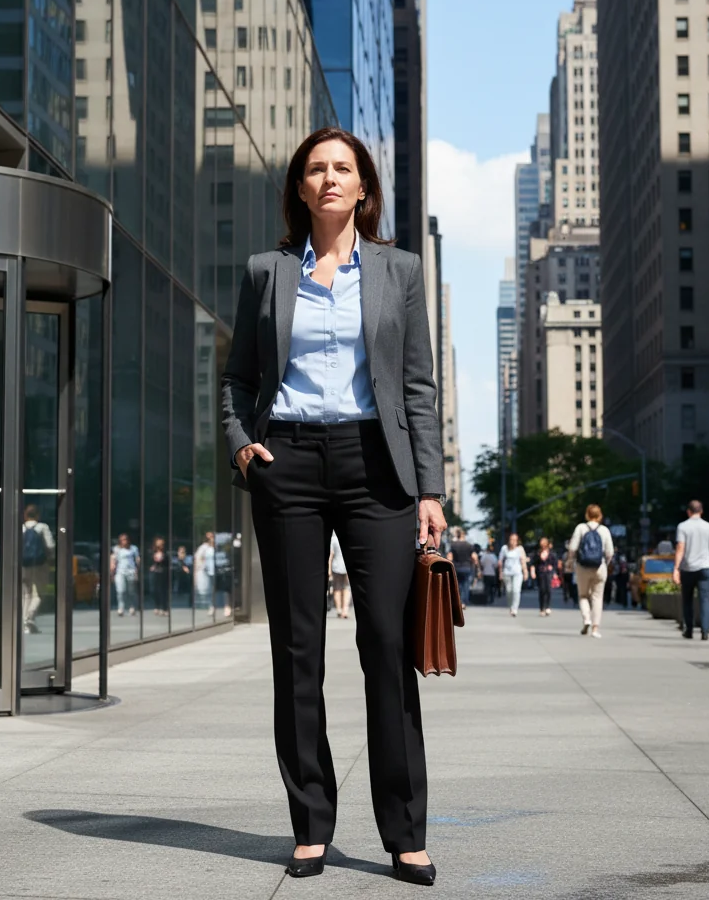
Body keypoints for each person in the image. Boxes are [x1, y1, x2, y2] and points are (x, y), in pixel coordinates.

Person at [222, 127, 446, 884]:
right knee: (298, 652)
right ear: (298, 187)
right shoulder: (266, 272)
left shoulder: (400, 271)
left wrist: (431, 490)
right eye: (315, 169)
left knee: (385, 645)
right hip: (286, 461)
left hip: (374, 467)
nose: (328, 179)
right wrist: (240, 445)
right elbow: (236, 381)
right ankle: (311, 824)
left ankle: (405, 832)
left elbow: (417, 387)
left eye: (342, 168)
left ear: (363, 187)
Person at [567, 504, 615, 638]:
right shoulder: (604, 530)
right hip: (600, 567)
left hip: (583, 567)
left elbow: (572, 548)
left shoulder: (581, 528)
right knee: (597, 597)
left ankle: (586, 619)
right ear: (600, 516)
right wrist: (606, 563)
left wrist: (570, 562)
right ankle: (595, 628)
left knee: (583, 595)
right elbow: (610, 552)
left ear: (587, 514)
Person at [673, 500, 709, 640]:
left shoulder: (683, 526)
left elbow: (680, 547)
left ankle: (689, 629)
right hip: (705, 567)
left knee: (687, 600)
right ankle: (705, 631)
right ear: (701, 511)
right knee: (705, 599)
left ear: (688, 511)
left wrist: (676, 568)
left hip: (688, 567)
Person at [21, 505, 55, 634]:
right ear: (37, 515)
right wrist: (51, 558)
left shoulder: (21, 528)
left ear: (25, 515)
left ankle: (25, 623)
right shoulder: (42, 527)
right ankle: (30, 617)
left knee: (26, 594)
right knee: (39, 594)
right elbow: (50, 545)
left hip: (24, 565)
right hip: (40, 565)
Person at [110, 532, 140, 618]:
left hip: (131, 571)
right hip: (120, 571)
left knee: (131, 591)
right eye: (122, 540)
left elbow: (137, 559)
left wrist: (137, 570)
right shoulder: (116, 549)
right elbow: (113, 560)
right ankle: (121, 608)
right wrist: (112, 571)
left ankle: (131, 606)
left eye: (126, 539)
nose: (124, 541)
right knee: (120, 591)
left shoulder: (133, 548)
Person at [499, 533, 528, 617]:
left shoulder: (520, 549)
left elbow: (523, 561)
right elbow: (500, 561)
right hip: (507, 572)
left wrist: (525, 572)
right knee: (509, 591)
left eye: (515, 540)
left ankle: (514, 608)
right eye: (511, 539)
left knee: (516, 590)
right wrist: (500, 572)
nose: (513, 542)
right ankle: (510, 605)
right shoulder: (504, 548)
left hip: (517, 573)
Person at [447, 527, 476, 610]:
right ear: (464, 535)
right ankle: (463, 602)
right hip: (467, 568)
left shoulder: (453, 545)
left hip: (456, 567)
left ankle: (458, 601)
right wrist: (474, 565)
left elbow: (450, 556)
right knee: (466, 585)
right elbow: (474, 557)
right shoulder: (469, 545)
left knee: (458, 585)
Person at [531, 537, 559, 616]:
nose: (543, 546)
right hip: (540, 573)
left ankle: (548, 607)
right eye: (541, 545)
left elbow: (555, 564)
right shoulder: (537, 553)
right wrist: (533, 572)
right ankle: (541, 608)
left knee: (548, 590)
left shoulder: (551, 554)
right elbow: (533, 563)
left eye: (544, 545)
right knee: (542, 590)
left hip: (549, 573)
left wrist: (554, 572)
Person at [328, 531, 351, 618]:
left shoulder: (333, 539)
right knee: (347, 588)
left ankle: (339, 609)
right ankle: (345, 610)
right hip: (347, 566)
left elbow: (331, 555)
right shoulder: (348, 537)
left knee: (337, 587)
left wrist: (329, 569)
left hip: (336, 567)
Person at [194, 531, 216, 614]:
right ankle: (211, 606)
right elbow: (198, 558)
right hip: (207, 571)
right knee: (209, 589)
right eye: (209, 537)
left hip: (217, 570)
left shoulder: (216, 547)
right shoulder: (203, 547)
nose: (211, 538)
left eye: (212, 536)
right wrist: (200, 568)